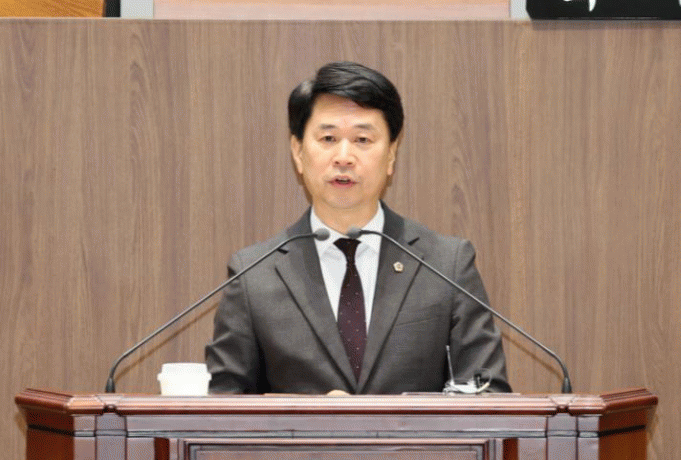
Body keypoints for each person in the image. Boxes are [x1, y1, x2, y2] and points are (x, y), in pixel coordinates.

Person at [205, 61, 511, 394]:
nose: (344, 157)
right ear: (298, 152)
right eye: (328, 138)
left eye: (362, 139)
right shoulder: (253, 276)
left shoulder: (446, 265)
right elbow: (224, 407)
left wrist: (386, 418)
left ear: (391, 154)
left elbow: (489, 398)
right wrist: (309, 419)